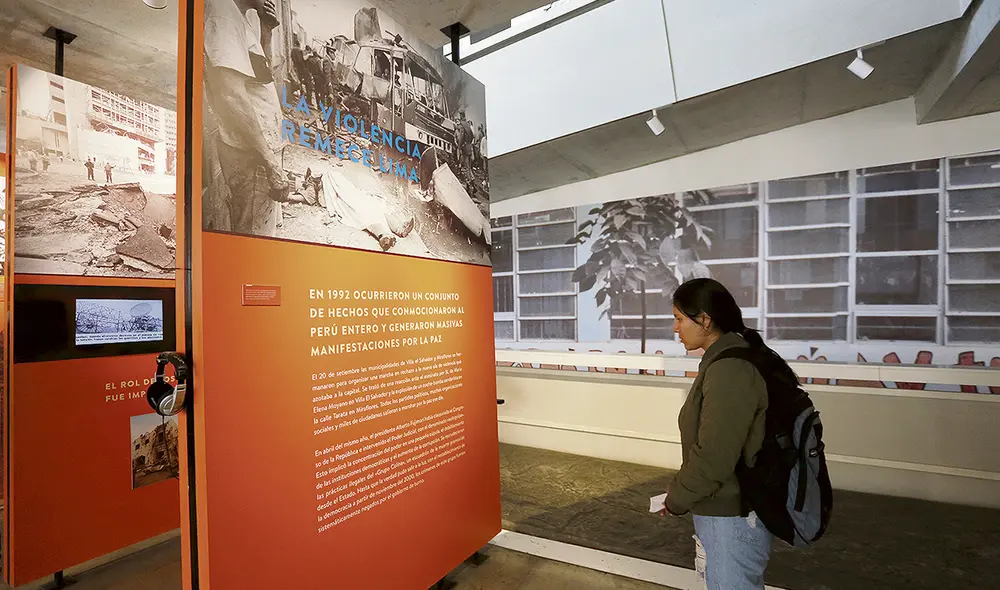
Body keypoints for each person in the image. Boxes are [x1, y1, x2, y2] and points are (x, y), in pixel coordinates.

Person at [658, 278, 791, 589]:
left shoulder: (729, 369)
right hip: (726, 512)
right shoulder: (728, 359)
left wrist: (677, 498)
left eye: (679, 319)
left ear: (704, 319)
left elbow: (714, 457)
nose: (676, 329)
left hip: (731, 517)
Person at [202, 0, 289, 237]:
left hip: (259, 151)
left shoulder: (239, 19)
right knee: (254, 237)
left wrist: (266, 32)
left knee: (260, 230)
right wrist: (270, 162)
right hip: (252, 154)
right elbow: (230, 95)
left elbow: (262, 77)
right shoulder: (223, 14)